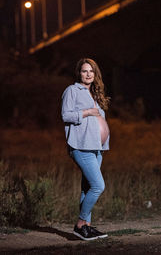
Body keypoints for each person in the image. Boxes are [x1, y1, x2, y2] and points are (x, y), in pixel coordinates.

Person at [61, 58, 110, 241]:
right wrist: (87, 112)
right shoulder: (72, 91)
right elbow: (66, 115)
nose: (88, 74)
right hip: (81, 147)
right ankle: (80, 224)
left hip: (96, 148)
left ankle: (86, 228)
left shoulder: (94, 93)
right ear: (79, 73)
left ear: (95, 74)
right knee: (98, 186)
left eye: (91, 71)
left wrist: (102, 143)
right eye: (84, 71)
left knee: (87, 187)